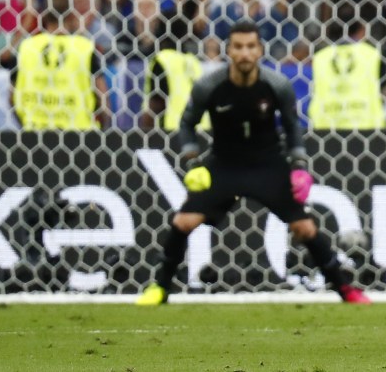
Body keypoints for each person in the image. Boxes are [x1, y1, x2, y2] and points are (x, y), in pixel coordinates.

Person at [136, 21, 370, 305]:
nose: (244, 53)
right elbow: (187, 124)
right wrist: (192, 162)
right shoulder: (210, 86)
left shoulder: (276, 85)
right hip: (224, 164)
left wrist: (298, 167)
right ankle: (160, 288)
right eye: (238, 47)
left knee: (305, 229)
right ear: (229, 51)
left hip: (268, 164)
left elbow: (293, 127)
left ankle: (346, 290)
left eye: (250, 47)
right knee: (183, 222)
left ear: (259, 50)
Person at [13, 0, 109, 130]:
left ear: (44, 16)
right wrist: (104, 130)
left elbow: (12, 94)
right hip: (79, 135)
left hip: (35, 132)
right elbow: (102, 95)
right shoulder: (83, 47)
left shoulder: (27, 47)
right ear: (71, 15)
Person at [308, 13, 386, 130]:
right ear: (361, 30)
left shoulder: (320, 57)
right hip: (367, 128)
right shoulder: (372, 54)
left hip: (326, 128)